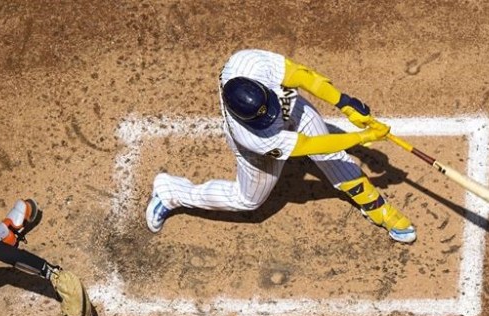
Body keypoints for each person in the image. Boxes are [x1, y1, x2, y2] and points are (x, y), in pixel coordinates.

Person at [145, 48, 416, 244]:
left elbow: (303, 76)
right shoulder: (252, 137)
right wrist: (362, 137)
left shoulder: (249, 63)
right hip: (260, 154)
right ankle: (172, 192)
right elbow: (311, 145)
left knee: (334, 155)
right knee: (247, 200)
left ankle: (377, 208)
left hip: (295, 111)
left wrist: (344, 102)